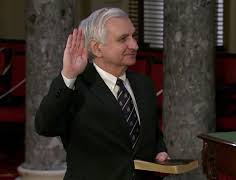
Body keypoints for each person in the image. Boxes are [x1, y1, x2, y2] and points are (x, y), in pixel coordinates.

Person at [35, 7, 169, 180]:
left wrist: (160, 150)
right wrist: (68, 76)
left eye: (133, 36)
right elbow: (44, 126)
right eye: (123, 39)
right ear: (97, 48)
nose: (134, 45)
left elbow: (152, 133)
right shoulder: (76, 86)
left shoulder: (143, 84)